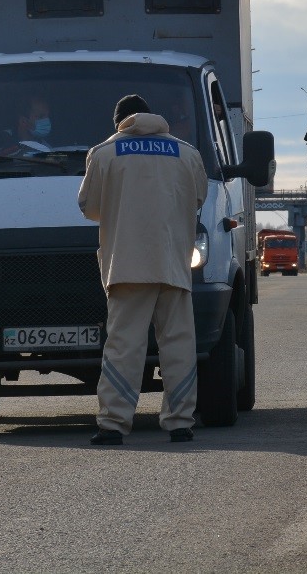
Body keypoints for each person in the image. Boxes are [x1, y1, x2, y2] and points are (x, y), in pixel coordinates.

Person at [78, 94, 208, 445]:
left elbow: (89, 207)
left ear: (120, 122)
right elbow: (197, 199)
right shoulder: (187, 153)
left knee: (124, 347)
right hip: (174, 263)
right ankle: (180, 423)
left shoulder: (104, 153)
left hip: (127, 265)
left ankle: (113, 424)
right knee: (178, 345)